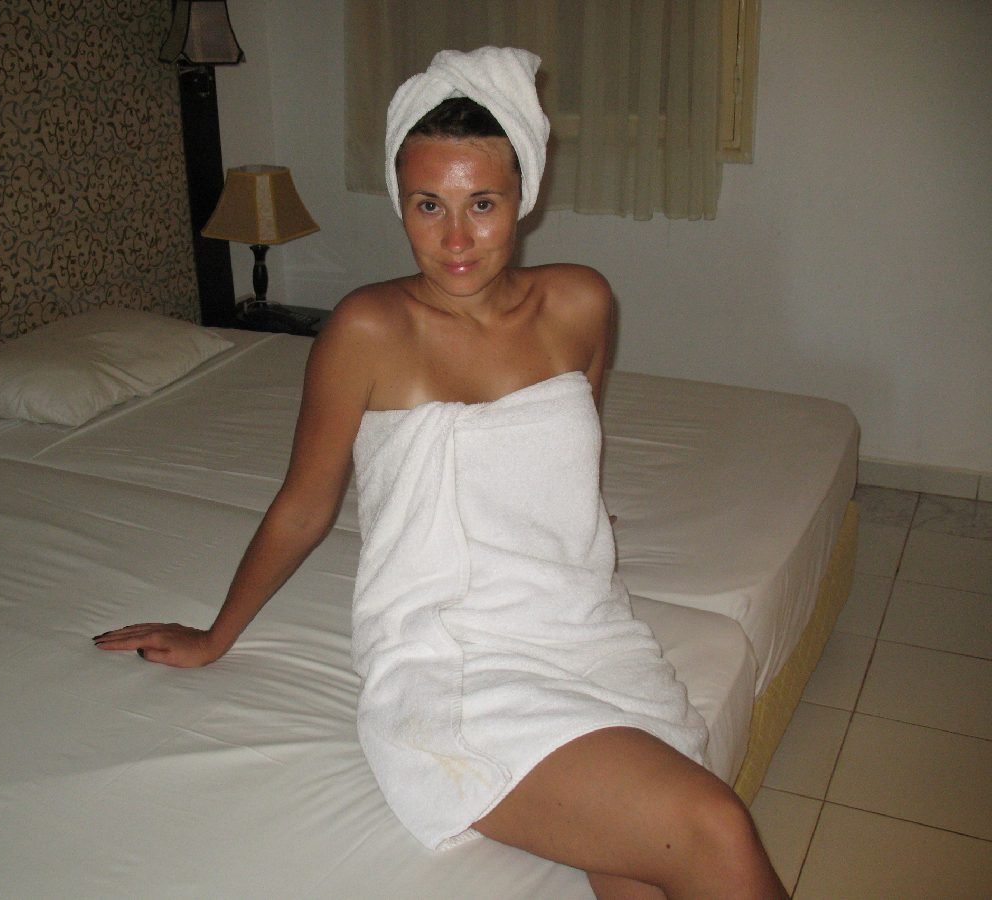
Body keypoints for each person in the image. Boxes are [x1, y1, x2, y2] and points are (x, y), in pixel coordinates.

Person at [94, 47, 786, 900]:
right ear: (401, 203)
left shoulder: (581, 302)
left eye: (482, 204)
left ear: (523, 196)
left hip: (580, 624)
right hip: (452, 657)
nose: (456, 239)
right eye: (429, 205)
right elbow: (305, 506)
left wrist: (577, 523)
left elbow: (571, 437)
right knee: (712, 825)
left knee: (646, 864)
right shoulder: (367, 330)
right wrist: (215, 636)